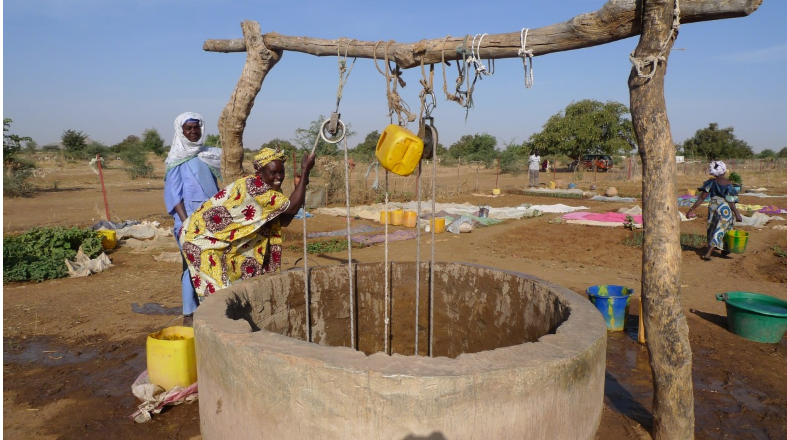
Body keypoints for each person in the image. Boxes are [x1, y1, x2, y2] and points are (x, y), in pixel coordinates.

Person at [179, 148, 316, 302]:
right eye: (273, 173)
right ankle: (213, 323)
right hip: (200, 240)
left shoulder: (270, 189)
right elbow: (291, 208)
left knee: (237, 284)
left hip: (221, 242)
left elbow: (284, 220)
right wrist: (305, 173)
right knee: (220, 294)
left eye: (281, 172)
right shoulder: (255, 188)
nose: (279, 177)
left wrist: (302, 182)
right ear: (260, 172)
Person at [164, 112, 222, 326]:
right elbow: (174, 195)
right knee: (192, 265)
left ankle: (208, 305)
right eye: (189, 128)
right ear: (181, 131)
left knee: (208, 263)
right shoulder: (176, 159)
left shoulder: (207, 155)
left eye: (196, 128)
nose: (193, 132)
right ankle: (190, 312)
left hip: (210, 221)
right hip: (188, 222)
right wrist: (187, 223)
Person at [686, 160, 743, 261]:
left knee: (712, 228)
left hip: (712, 206)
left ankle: (724, 250)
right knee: (721, 228)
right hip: (723, 207)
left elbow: (702, 197)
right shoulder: (727, 183)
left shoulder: (710, 182)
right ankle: (708, 253)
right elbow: (730, 201)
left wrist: (691, 209)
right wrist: (737, 214)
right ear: (724, 171)